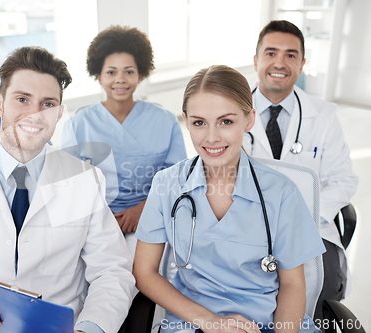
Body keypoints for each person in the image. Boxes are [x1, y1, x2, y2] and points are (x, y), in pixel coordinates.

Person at [0, 46, 136, 333]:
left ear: (59, 113)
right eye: (22, 99)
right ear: (0, 103)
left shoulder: (85, 181)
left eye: (47, 104)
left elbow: (112, 272)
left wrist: (90, 328)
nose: (35, 115)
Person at [134, 65, 326, 333]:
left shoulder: (282, 193)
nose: (211, 137)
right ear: (186, 120)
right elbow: (145, 273)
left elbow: (293, 285)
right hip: (194, 322)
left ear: (249, 120)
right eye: (199, 122)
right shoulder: (167, 184)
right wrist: (209, 322)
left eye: (226, 121)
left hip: (270, 323)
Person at [243, 20, 359, 320]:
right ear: (256, 60)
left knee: (322, 286)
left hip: (310, 225)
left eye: (290, 55)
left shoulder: (324, 115)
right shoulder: (231, 110)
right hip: (244, 224)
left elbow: (343, 180)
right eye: (271, 53)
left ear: (302, 64)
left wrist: (299, 215)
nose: (279, 63)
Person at [61, 25, 186, 254]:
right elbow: (68, 185)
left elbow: (177, 179)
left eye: (129, 71)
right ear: (98, 75)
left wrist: (143, 208)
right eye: (111, 72)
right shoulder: (78, 124)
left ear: (141, 74)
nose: (120, 79)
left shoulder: (165, 121)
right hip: (94, 222)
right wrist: (101, 217)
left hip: (152, 217)